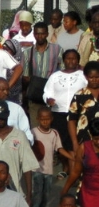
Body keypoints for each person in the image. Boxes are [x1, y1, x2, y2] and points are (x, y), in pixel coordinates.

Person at [0, 100, 40, 201]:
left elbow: (27, 167)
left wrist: (29, 195)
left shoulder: (20, 136)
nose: (0, 120)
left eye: (2, 117)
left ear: (8, 114)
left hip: (15, 192)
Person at [43, 49, 86, 178]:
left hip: (77, 115)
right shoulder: (55, 76)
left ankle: (76, 171)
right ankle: (65, 167)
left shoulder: (83, 75)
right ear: (63, 60)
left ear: (78, 60)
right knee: (61, 143)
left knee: (76, 142)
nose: (71, 61)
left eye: (74, 58)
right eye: (68, 58)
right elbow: (47, 92)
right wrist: (48, 99)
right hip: (59, 113)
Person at [30, 107, 74, 207]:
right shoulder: (33, 132)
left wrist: (72, 158)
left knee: (45, 198)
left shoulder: (54, 133)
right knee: (37, 196)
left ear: (52, 119)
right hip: (36, 170)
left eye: (47, 119)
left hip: (49, 171)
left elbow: (59, 148)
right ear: (37, 119)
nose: (45, 121)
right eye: (42, 119)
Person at [62, 117, 99, 207]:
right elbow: (76, 172)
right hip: (89, 194)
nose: (98, 142)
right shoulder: (84, 148)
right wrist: (65, 190)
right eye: (95, 139)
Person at [22, 22, 63, 125]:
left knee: (52, 128)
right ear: (34, 34)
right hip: (35, 97)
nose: (39, 36)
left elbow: (62, 71)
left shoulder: (57, 49)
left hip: (52, 96)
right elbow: (25, 77)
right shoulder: (27, 52)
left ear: (47, 34)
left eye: (42, 33)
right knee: (36, 129)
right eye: (37, 33)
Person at [67, 61, 99, 153]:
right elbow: (71, 120)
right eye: (91, 77)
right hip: (85, 141)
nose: (94, 80)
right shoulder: (79, 95)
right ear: (86, 77)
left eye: (97, 77)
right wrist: (75, 143)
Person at [2, 38, 25, 105]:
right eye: (4, 49)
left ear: (15, 51)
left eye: (8, 50)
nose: (5, 52)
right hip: (3, 97)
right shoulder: (1, 61)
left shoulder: (20, 64)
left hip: (16, 97)